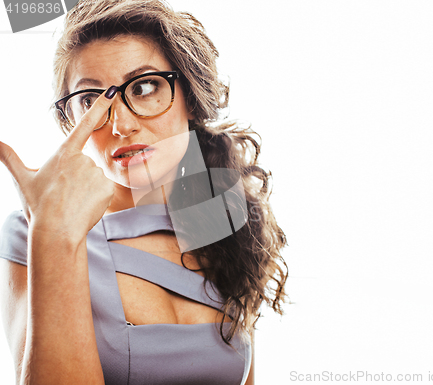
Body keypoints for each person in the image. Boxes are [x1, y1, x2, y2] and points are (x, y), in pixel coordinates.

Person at [0, 0, 288, 384]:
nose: (120, 124)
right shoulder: (35, 232)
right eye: (91, 100)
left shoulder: (216, 217)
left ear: (190, 95)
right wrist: (54, 235)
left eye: (145, 86)